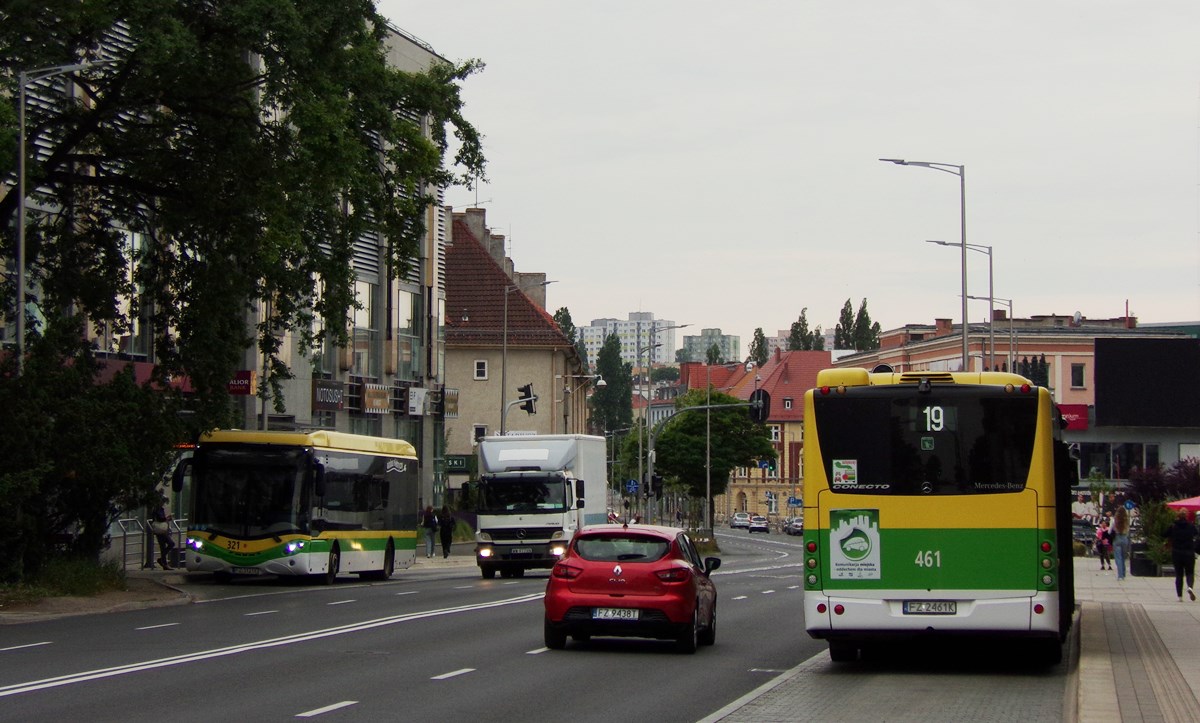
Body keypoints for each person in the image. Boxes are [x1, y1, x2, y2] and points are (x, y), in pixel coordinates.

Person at [1167, 510, 1198, 602]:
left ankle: (1180, 597)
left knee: (1179, 574)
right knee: (1190, 572)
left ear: (1178, 516)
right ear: (1187, 516)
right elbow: (1196, 534)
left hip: (1176, 552)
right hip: (1189, 552)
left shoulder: (1173, 526)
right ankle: (1190, 587)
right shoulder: (1191, 526)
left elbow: (1164, 534)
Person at [150, 498, 177, 570]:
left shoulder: (159, 509)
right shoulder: (157, 509)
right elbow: (160, 518)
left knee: (164, 546)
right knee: (170, 544)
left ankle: (164, 562)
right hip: (160, 530)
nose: (163, 503)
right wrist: (167, 518)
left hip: (161, 530)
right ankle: (164, 562)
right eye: (163, 501)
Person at [1112, 506, 1132, 581]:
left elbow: (1111, 529)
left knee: (1118, 558)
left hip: (1117, 538)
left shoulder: (1115, 520)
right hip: (1124, 538)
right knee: (1123, 557)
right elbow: (1128, 530)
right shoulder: (1127, 520)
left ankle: (1120, 575)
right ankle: (1123, 573)